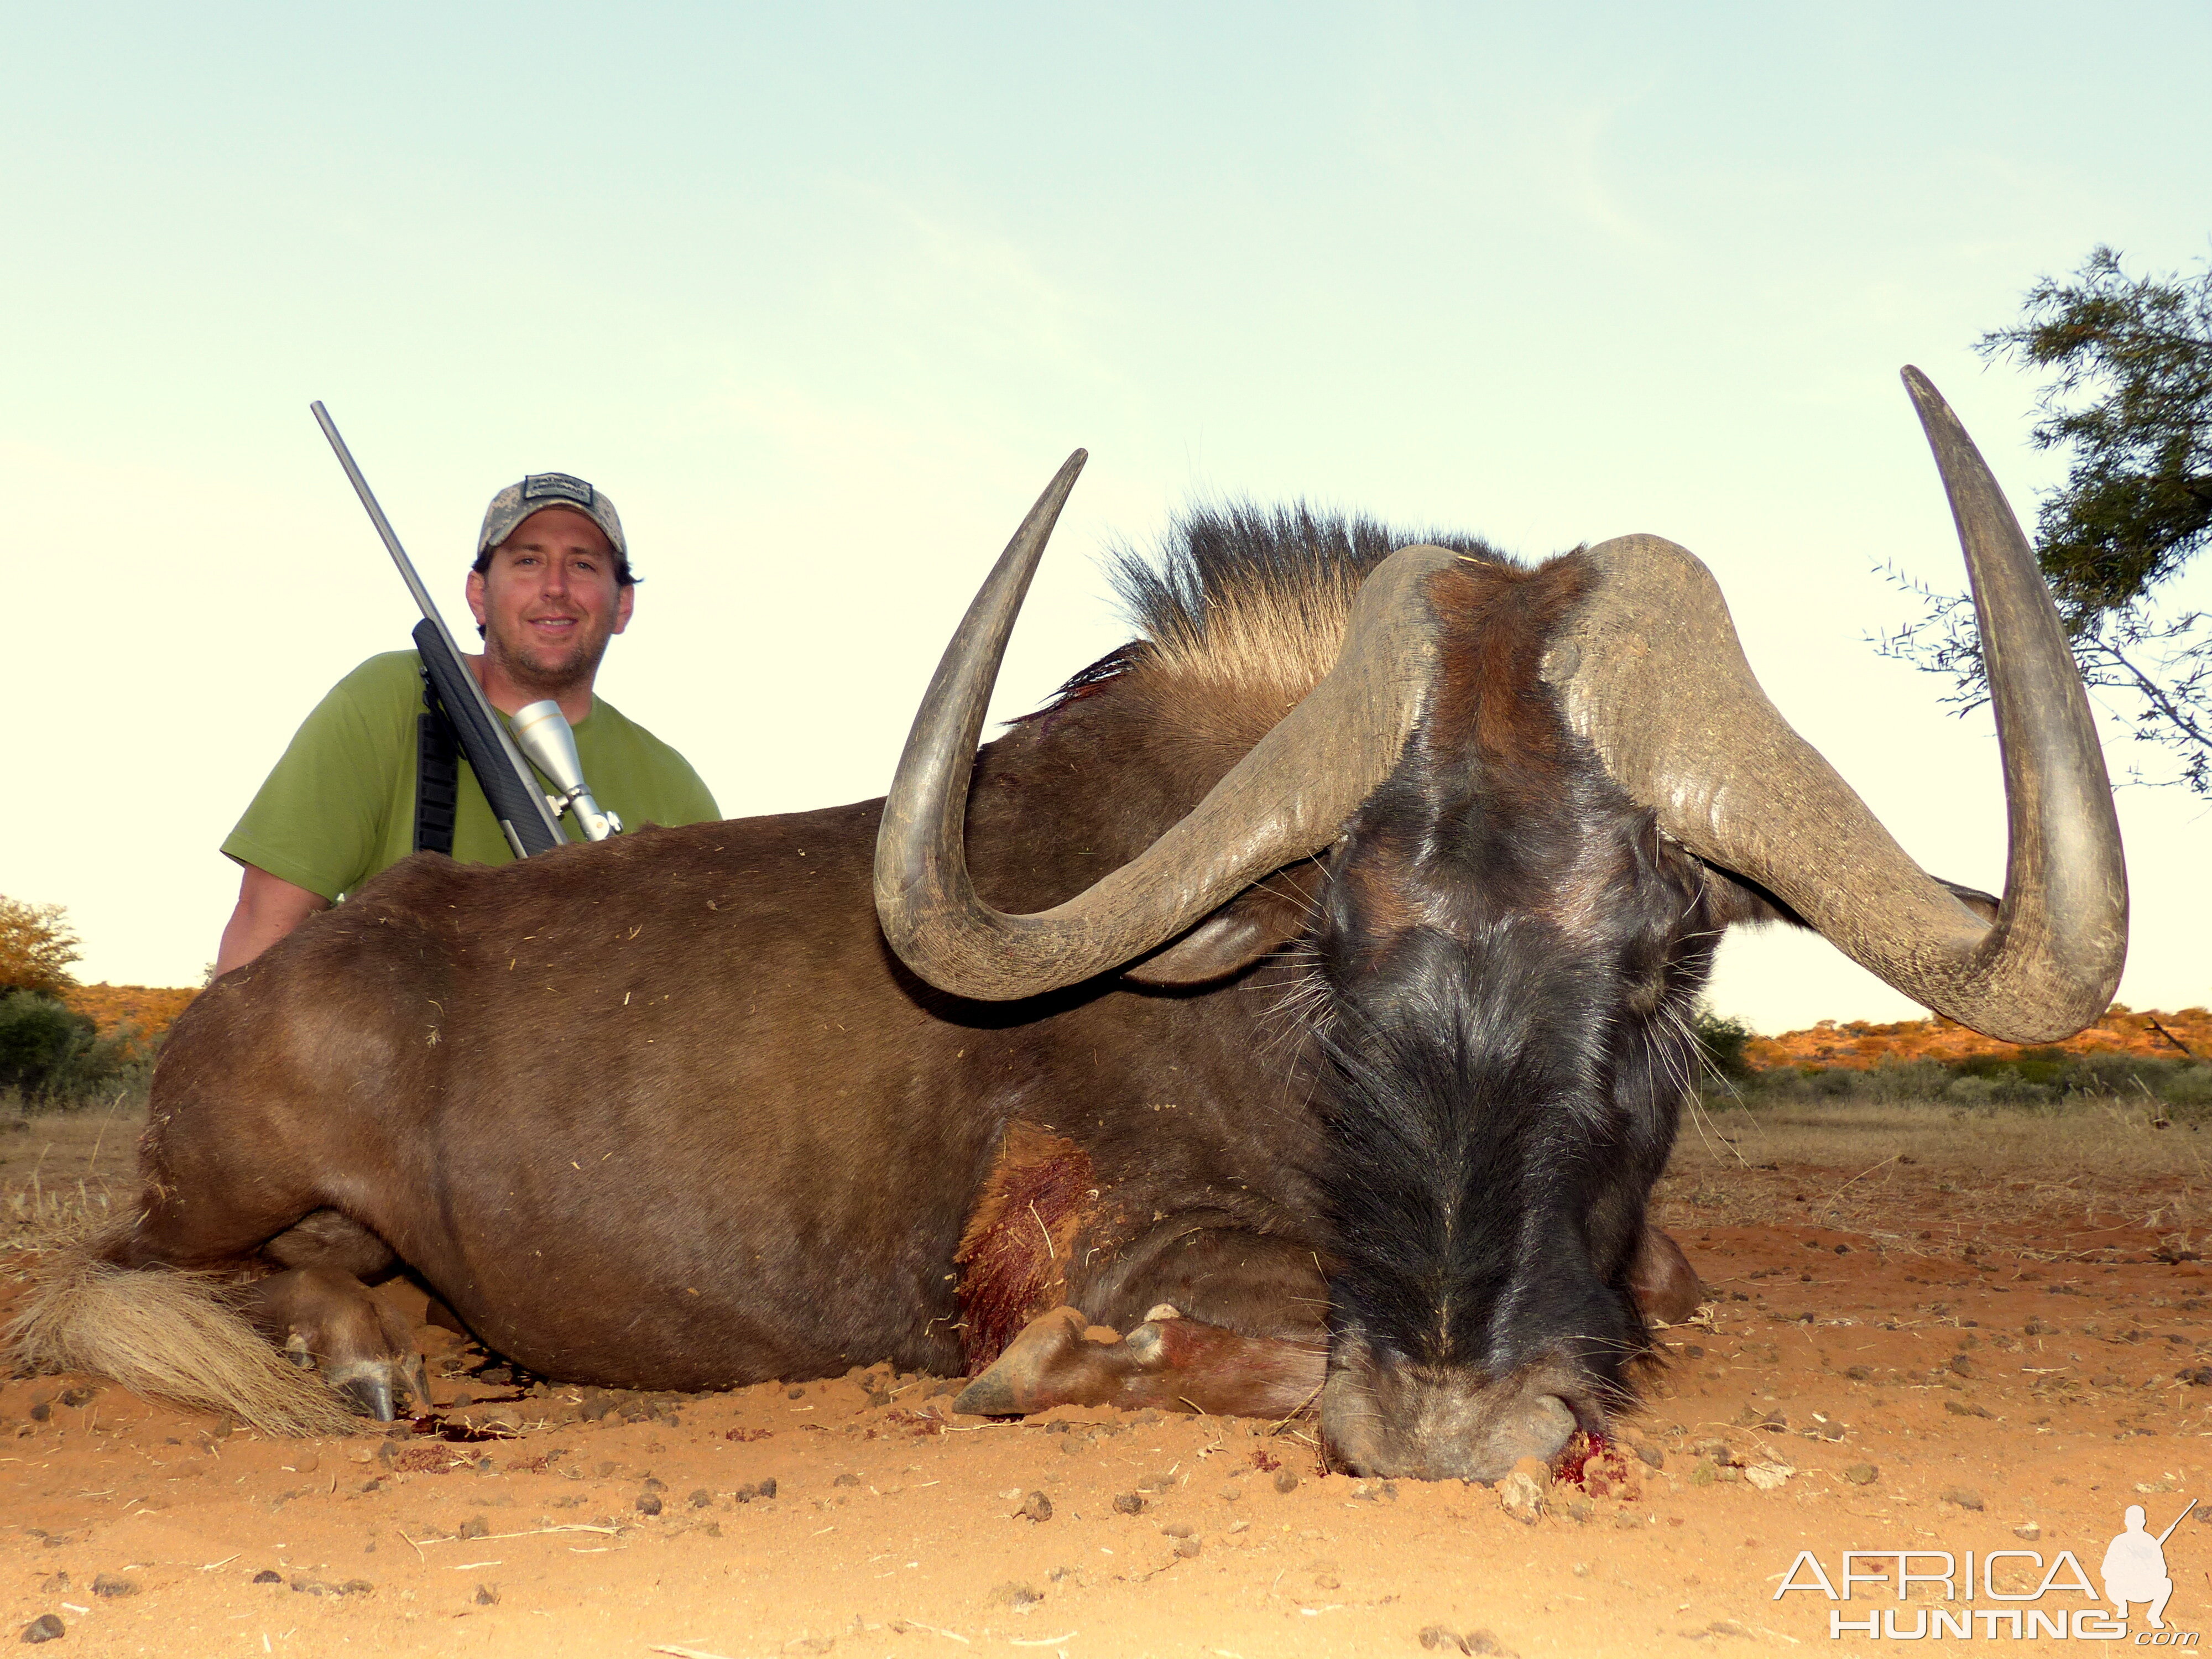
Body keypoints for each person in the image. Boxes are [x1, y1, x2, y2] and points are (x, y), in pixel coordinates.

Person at [215, 473, 718, 976]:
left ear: (623, 605)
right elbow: (267, 922)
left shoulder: (677, 791)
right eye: (528, 561)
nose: (555, 588)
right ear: (478, 593)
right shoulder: (387, 699)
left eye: (583, 565)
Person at [2101, 1504, 2175, 1630]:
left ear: (2143, 1522)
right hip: (2123, 1588)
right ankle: (2122, 1605)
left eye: (2137, 1521)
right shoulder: (2119, 1541)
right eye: (2132, 1521)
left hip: (2144, 1589)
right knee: (2110, 1582)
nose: (2135, 1524)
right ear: (2126, 1522)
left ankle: (2154, 1615)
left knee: (2166, 1583)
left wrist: (2146, 1569)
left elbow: (2162, 1570)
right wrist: (2124, 1571)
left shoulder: (2150, 1542)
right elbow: (2106, 1569)